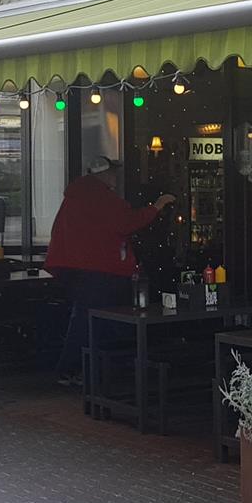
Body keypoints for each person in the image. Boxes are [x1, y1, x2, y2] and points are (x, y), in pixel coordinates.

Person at [45, 157, 174, 387]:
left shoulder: (76, 196)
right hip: (100, 270)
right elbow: (127, 223)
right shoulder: (102, 197)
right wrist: (156, 207)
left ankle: (82, 369)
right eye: (113, 172)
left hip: (77, 269)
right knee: (98, 321)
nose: (116, 176)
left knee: (86, 318)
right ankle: (81, 369)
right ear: (103, 174)